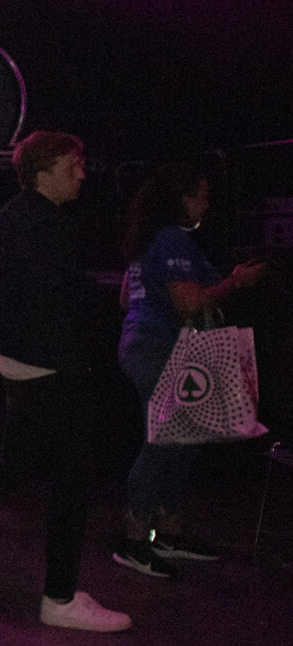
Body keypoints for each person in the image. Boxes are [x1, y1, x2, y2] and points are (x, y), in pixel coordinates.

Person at [0, 130, 133, 632]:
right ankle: (59, 598)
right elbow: (55, 297)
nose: (81, 174)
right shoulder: (45, 223)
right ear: (43, 174)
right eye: (71, 167)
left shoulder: (16, 215)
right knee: (71, 480)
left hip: (23, 360)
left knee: (12, 465)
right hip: (49, 366)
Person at [112, 164, 266, 577]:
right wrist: (236, 282)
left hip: (148, 343)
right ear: (182, 199)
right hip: (159, 346)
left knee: (183, 439)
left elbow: (127, 300)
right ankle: (134, 535)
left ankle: (168, 530)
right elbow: (189, 303)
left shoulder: (149, 239)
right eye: (202, 196)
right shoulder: (171, 239)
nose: (207, 204)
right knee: (164, 440)